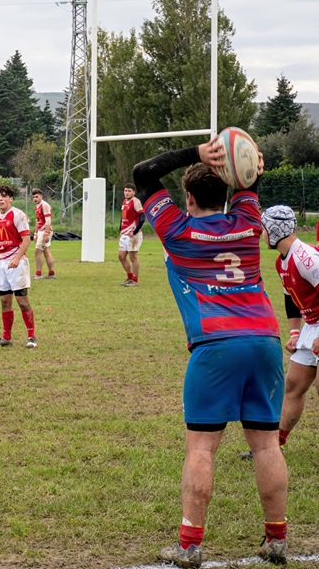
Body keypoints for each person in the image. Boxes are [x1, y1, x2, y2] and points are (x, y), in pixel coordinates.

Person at [132, 139, 288, 567]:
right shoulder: (248, 219)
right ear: (230, 190)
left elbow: (143, 174)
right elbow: (250, 183)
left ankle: (189, 546)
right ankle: (277, 539)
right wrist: (250, 164)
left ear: (187, 197)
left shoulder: (177, 231)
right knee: (266, 445)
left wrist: (196, 153)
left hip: (216, 346)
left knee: (201, 449)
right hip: (265, 342)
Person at [254, 205, 319, 455]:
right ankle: (274, 446)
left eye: (263, 228)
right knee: (293, 385)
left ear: (273, 229)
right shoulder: (282, 261)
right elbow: (291, 298)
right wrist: (295, 333)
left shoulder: (307, 257)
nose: (261, 234)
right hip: (311, 325)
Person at [0, 185, 37, 349]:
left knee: (22, 301)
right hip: (3, 264)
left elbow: (26, 239)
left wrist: (17, 259)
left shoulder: (18, 215)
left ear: (11, 198)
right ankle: (6, 337)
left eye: (4, 196)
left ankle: (32, 336)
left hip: (17, 263)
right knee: (5, 301)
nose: (0, 198)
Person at [118, 182, 145, 287]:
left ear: (134, 192)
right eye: (125, 190)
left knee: (133, 257)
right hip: (125, 233)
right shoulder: (125, 201)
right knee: (121, 256)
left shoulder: (136, 201)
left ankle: (135, 280)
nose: (127, 192)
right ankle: (129, 278)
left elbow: (142, 218)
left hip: (133, 235)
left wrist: (135, 231)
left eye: (129, 191)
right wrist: (120, 228)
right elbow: (123, 216)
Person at [31, 188, 56, 279]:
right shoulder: (37, 206)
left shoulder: (45, 206)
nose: (35, 199)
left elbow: (48, 221)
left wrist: (46, 233)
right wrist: (35, 233)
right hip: (41, 230)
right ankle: (51, 273)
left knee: (37, 252)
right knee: (46, 251)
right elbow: (37, 221)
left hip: (45, 230)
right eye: (33, 197)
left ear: (41, 196)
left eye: (37, 196)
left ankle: (38, 274)